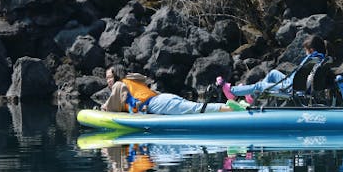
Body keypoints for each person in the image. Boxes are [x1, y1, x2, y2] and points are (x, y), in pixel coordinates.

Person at [216, 34, 328, 103]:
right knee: (274, 73)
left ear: (312, 50)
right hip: (293, 83)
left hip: (292, 88)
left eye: (306, 50)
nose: (305, 52)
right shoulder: (321, 60)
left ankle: (232, 92)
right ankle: (252, 96)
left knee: (259, 86)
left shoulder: (312, 60)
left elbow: (304, 78)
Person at [100, 64, 239, 114]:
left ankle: (229, 108)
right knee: (195, 108)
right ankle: (229, 107)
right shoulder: (129, 81)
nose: (108, 81)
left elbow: (112, 105)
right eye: (106, 79)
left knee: (196, 108)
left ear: (117, 75)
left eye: (109, 77)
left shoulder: (120, 84)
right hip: (162, 100)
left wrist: (104, 108)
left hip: (158, 103)